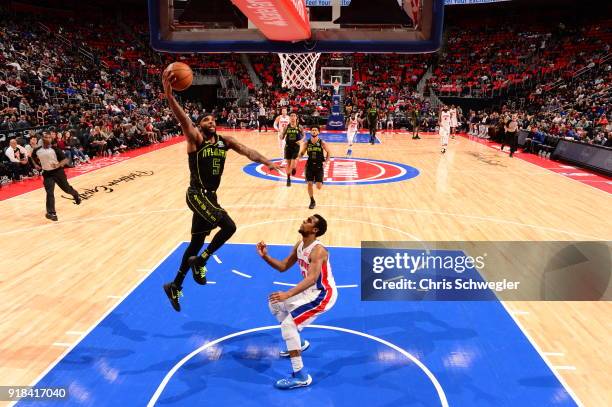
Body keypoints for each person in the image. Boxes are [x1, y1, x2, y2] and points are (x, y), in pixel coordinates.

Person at [161, 69, 279, 312]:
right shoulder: (195, 139)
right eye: (206, 120)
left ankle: (175, 285)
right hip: (196, 194)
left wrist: (267, 162)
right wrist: (170, 95)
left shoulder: (225, 142)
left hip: (210, 197)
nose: (211, 122)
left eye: (213, 120)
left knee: (195, 244)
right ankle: (202, 261)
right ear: (200, 125)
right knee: (229, 226)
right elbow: (183, 118)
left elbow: (248, 152)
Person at [256, 214, 337, 390]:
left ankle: (300, 375)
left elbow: (312, 278)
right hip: (309, 292)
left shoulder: (318, 250)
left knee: (288, 325)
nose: (303, 221)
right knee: (274, 303)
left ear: (315, 230)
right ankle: (297, 343)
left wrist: (289, 293)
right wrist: (265, 257)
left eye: (308, 221)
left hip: (322, 294)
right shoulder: (300, 245)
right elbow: (284, 266)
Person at [32, 133, 81, 221]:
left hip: (58, 173)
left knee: (67, 189)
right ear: (42, 139)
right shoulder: (37, 150)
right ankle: (52, 213)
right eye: (45, 137)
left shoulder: (55, 149)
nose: (47, 138)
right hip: (47, 174)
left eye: (49, 137)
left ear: (51, 139)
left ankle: (75, 195)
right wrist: (36, 165)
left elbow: (66, 159)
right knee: (50, 192)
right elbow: (32, 157)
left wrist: (58, 165)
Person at [299, 126, 331, 209]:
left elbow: (329, 152)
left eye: (315, 130)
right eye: (312, 130)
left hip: (319, 165)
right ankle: (312, 201)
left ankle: (319, 181)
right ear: (310, 132)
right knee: (309, 183)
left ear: (318, 132)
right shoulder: (307, 143)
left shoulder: (322, 143)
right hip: (309, 165)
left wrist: (326, 162)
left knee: (318, 186)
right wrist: (297, 157)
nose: (313, 131)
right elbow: (302, 153)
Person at [281, 112, 304, 187]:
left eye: (294, 116)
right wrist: (281, 135)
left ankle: (294, 168)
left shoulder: (299, 126)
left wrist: (301, 141)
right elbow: (282, 136)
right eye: (291, 116)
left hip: (295, 147)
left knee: (293, 163)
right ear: (289, 118)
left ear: (296, 117)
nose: (293, 117)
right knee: (288, 163)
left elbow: (304, 136)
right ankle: (288, 179)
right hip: (288, 147)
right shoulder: (286, 127)